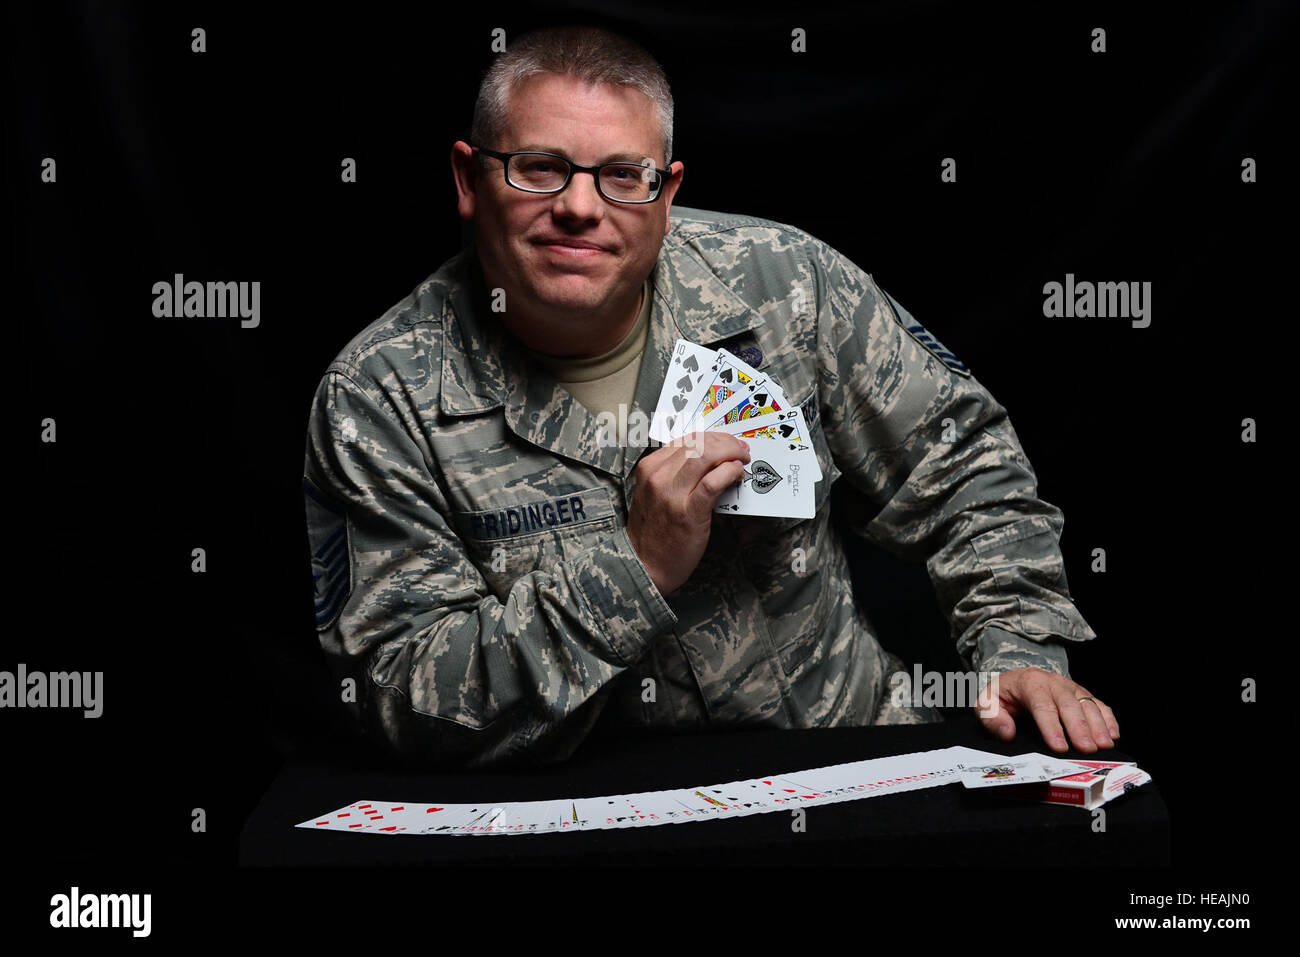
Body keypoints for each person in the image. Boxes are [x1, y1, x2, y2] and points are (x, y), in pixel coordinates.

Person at [302, 25, 1120, 768]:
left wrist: (1021, 647)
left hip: (851, 769)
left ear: (667, 195)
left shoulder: (785, 283)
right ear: (468, 178)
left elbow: (966, 467)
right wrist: (635, 567)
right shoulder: (378, 398)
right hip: (583, 813)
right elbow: (404, 701)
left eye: (625, 176)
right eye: (539, 167)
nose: (580, 207)